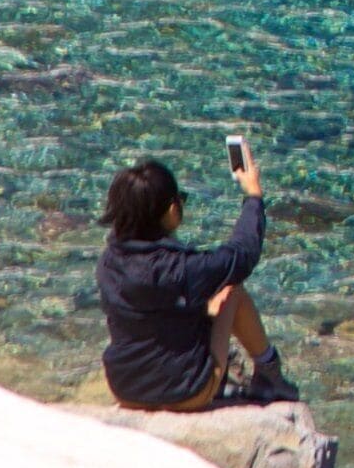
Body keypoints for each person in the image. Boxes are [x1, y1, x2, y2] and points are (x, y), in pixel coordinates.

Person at [97, 140, 299, 410]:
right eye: (180, 199)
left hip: (125, 389)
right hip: (186, 392)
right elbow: (242, 254)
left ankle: (233, 374)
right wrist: (253, 195)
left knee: (205, 304)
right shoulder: (181, 269)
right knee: (231, 292)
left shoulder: (109, 261)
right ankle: (269, 376)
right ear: (170, 211)